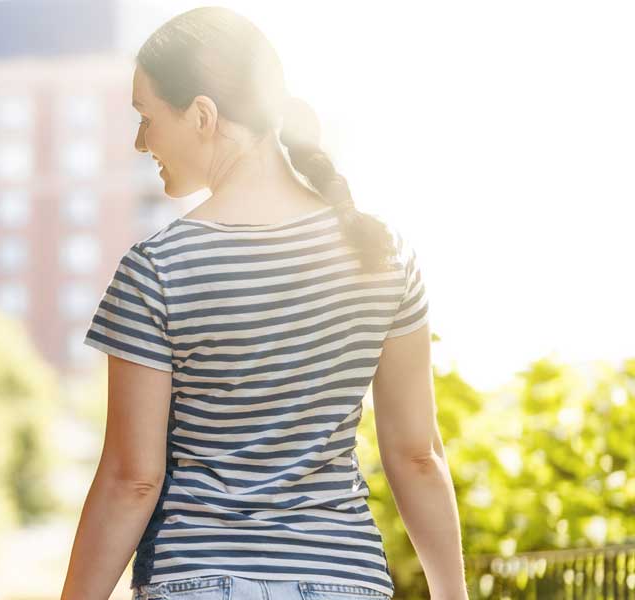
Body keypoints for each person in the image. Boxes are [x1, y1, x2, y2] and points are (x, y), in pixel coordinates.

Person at [60, 7, 467, 600]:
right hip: (344, 578)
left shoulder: (158, 267)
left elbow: (131, 480)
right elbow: (417, 457)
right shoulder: (381, 255)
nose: (140, 141)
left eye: (146, 118)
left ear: (202, 114)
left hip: (196, 578)